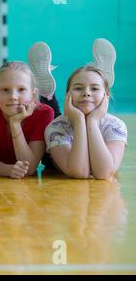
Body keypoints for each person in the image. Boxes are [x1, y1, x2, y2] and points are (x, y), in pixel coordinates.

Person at [44, 38, 127, 179]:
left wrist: (93, 122)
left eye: (94, 88)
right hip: (52, 159)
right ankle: (45, 94)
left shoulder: (115, 125)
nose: (86, 92)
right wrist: (78, 119)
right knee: (46, 112)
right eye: (78, 88)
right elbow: (79, 172)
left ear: (106, 96)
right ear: (67, 95)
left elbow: (103, 173)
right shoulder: (55, 128)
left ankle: (46, 94)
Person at [0, 61, 54, 179]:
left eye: (21, 89)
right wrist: (9, 170)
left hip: (9, 160)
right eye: (6, 90)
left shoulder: (44, 113)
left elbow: (30, 168)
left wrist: (15, 124)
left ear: (33, 95)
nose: (13, 96)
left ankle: (51, 95)